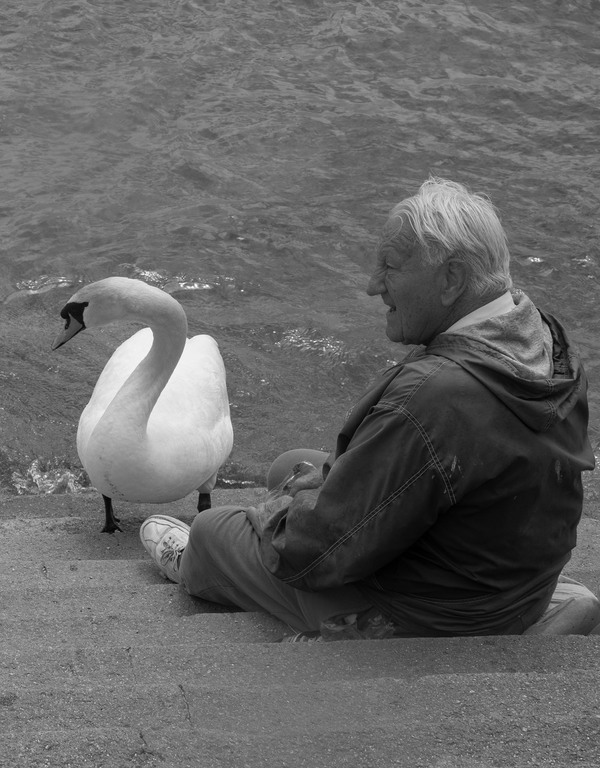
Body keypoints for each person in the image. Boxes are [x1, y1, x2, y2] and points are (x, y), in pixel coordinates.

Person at [139, 177, 600, 640]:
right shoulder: (544, 338)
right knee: (287, 466)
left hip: (430, 611)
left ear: (452, 278)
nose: (371, 285)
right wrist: (317, 484)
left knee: (213, 530)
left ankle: (199, 566)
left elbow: (313, 550)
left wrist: (276, 511)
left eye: (390, 267)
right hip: (510, 578)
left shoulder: (435, 395)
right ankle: (545, 603)